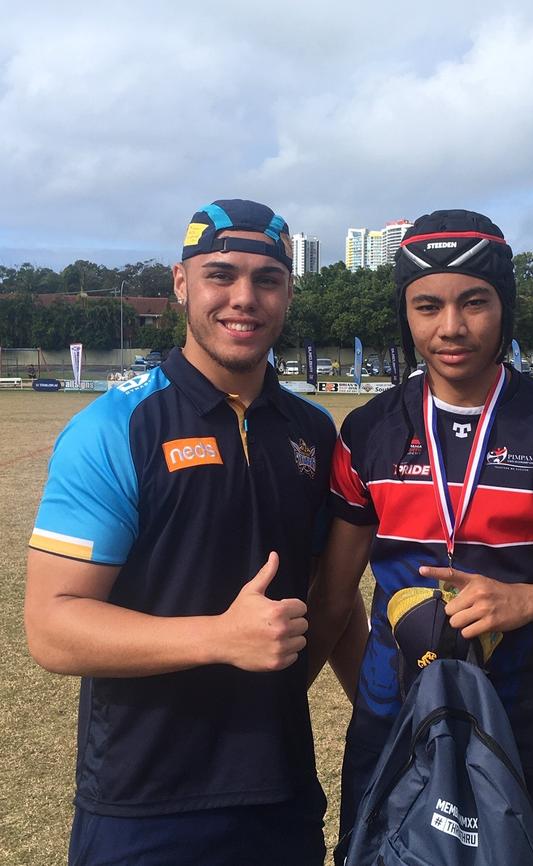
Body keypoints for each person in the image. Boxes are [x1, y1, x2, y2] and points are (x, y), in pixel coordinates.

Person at [307, 209, 533, 866]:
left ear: (503, 305)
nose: (450, 327)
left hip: (515, 728)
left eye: (474, 303)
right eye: (427, 306)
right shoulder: (368, 432)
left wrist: (531, 602)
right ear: (405, 312)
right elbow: (335, 598)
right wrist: (280, 707)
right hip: (388, 727)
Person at [24, 198, 338, 866]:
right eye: (221, 274)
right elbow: (52, 626)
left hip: (280, 798)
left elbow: (326, 593)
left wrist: (389, 701)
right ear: (180, 283)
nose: (244, 298)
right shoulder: (116, 427)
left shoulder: (313, 434)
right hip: (145, 805)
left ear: (287, 292)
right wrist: (220, 639)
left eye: (267, 279)